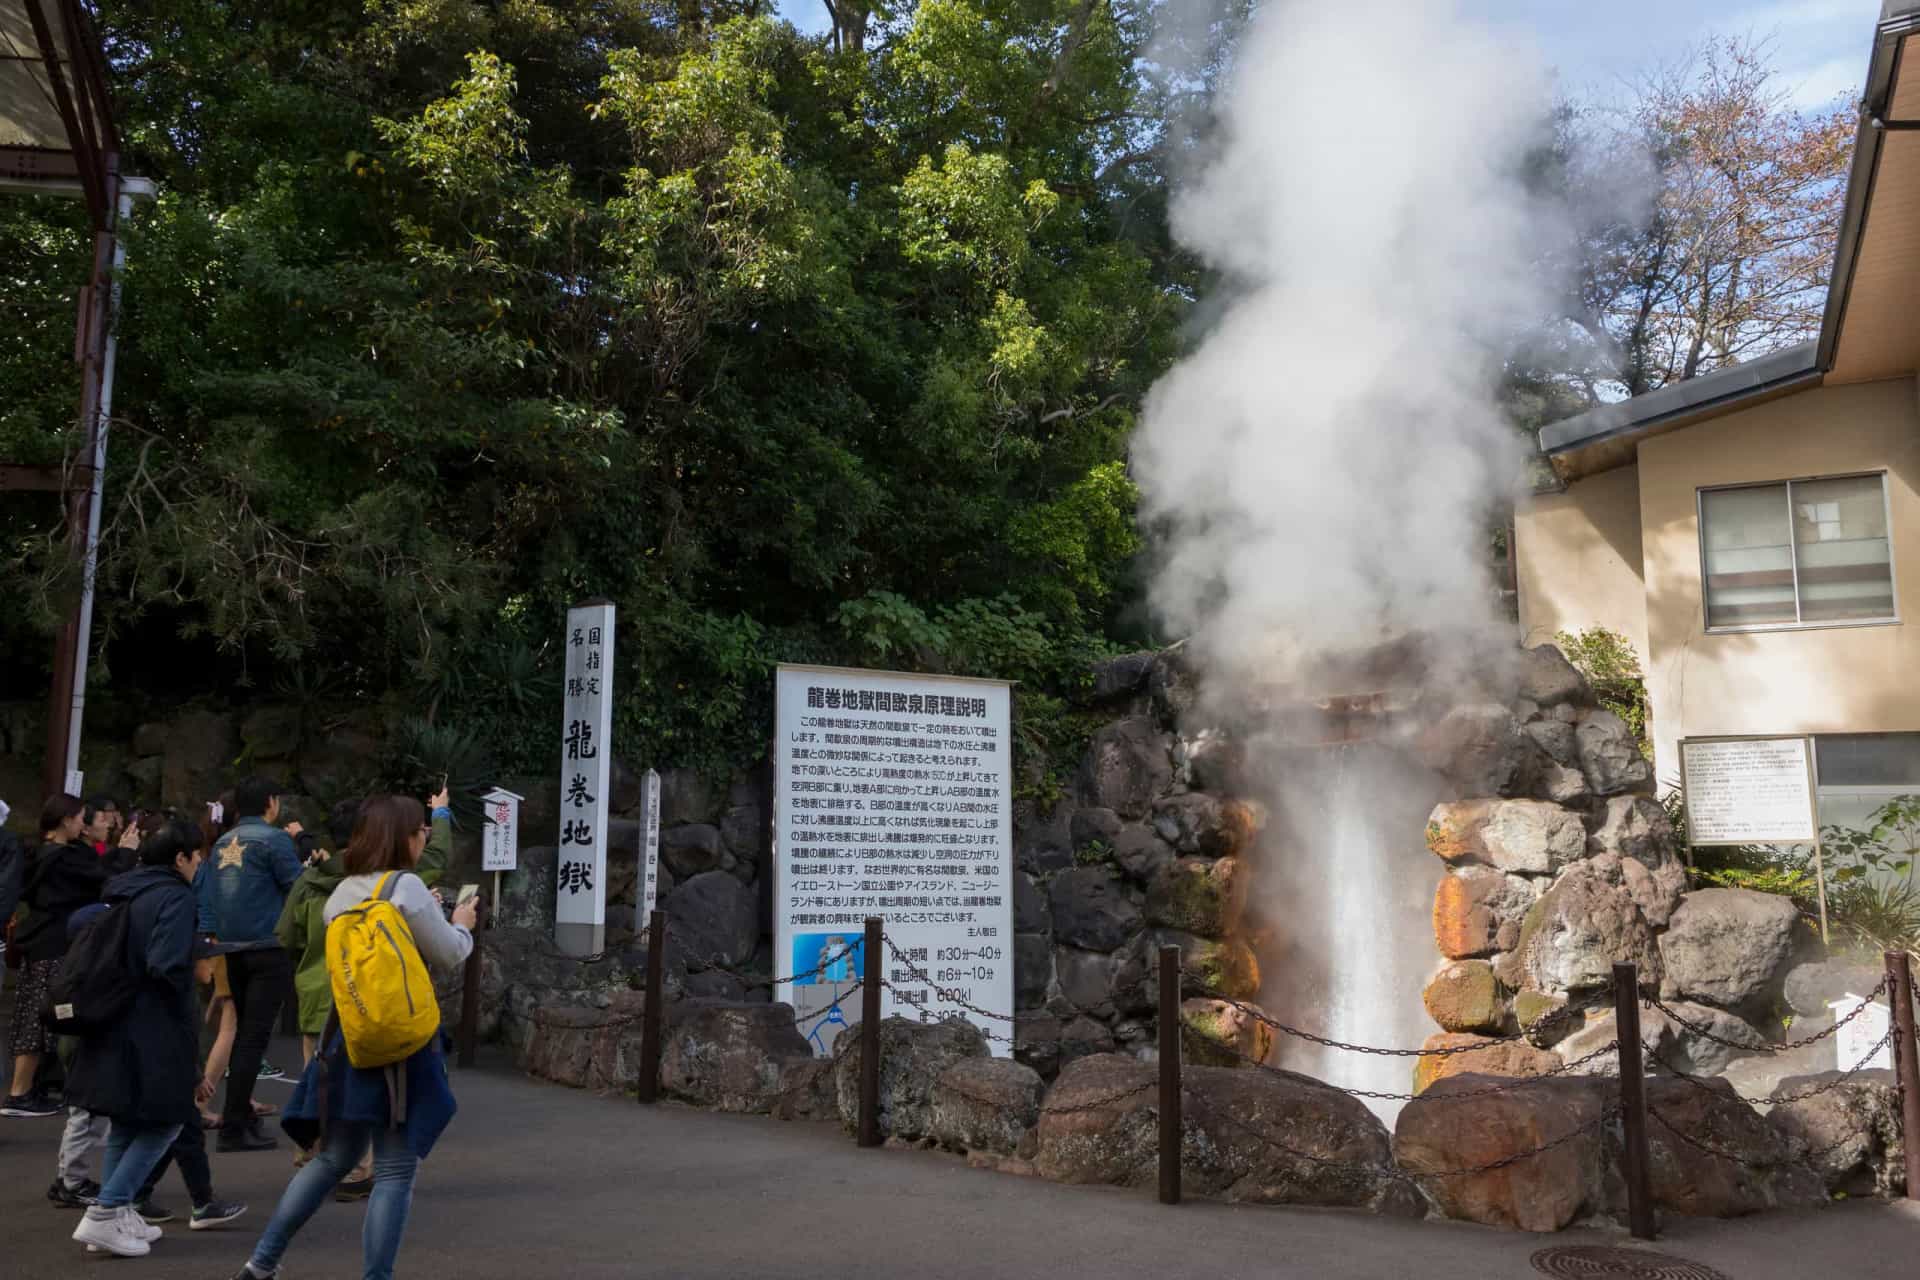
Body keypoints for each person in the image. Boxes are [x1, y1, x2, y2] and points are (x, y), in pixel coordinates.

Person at [231, 794, 477, 1280]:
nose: (425, 836)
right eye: (420, 830)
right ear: (403, 837)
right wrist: (461, 924)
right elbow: (448, 954)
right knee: (394, 1172)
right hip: (402, 1041)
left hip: (348, 1036)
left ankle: (261, 1263)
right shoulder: (405, 886)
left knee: (332, 1159)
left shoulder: (341, 892)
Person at [63, 820, 214, 1257]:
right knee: (168, 1119)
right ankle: (106, 1210)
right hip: (156, 1024)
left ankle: (117, 1210)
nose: (200, 863)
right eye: (197, 856)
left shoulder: (125, 889)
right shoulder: (177, 897)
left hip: (114, 1016)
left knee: (127, 1120)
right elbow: (166, 965)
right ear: (181, 859)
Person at [196, 776, 302, 1152]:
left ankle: (241, 1116)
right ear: (271, 803)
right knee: (253, 1038)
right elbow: (297, 887)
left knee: (244, 1034)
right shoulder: (274, 840)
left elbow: (208, 894)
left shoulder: (224, 840)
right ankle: (234, 1126)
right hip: (267, 946)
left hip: (231, 948)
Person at [3, 795, 108, 1118]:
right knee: (45, 1018)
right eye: (79, 818)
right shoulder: (64, 859)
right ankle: (20, 1093)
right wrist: (128, 853)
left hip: (37, 942)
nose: (82, 824)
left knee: (33, 1016)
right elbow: (98, 879)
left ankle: (25, 1089)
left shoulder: (35, 853)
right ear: (65, 821)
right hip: (55, 942)